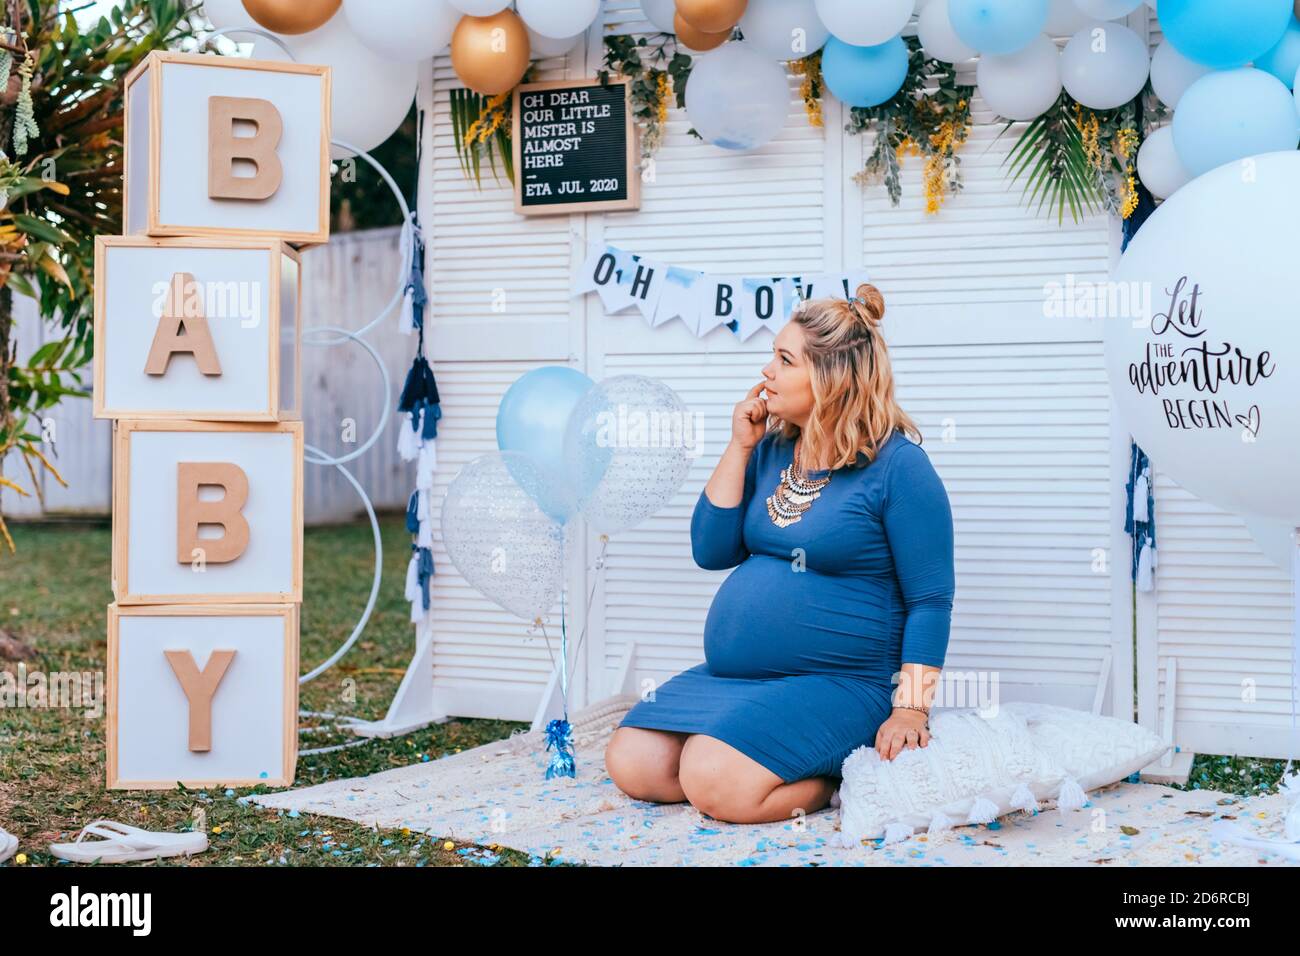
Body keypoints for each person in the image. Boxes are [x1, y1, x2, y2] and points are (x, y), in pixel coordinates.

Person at [604, 282, 955, 825]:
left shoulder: (899, 468)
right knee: (634, 763)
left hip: (842, 681)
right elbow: (710, 549)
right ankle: (759, 750)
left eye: (785, 359)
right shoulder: (771, 450)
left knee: (711, 778)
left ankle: (837, 781)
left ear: (832, 378)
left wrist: (910, 706)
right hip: (740, 680)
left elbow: (931, 599)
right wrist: (740, 445)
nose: (767, 370)